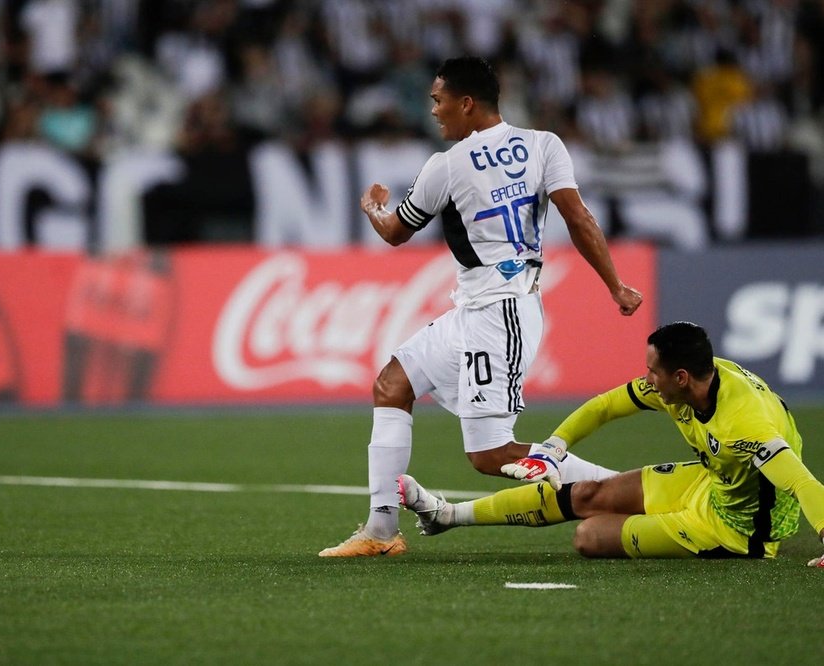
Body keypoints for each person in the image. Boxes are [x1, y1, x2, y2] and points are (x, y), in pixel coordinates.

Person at [319, 56, 643, 558]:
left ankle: (637, 491)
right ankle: (381, 531)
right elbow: (578, 218)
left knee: (491, 454)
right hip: (478, 309)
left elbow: (396, 233)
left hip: (502, 313)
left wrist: (371, 207)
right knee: (392, 383)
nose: (433, 110)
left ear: (466, 103)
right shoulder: (543, 144)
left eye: (437, 99)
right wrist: (615, 286)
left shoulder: (445, 165)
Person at [399, 322, 824, 565]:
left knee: (589, 536)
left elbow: (802, 482)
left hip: (737, 530)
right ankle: (446, 516)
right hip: (713, 482)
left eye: (653, 371)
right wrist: (555, 444)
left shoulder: (745, 424)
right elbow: (606, 406)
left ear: (680, 378)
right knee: (588, 493)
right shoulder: (691, 382)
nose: (646, 379)